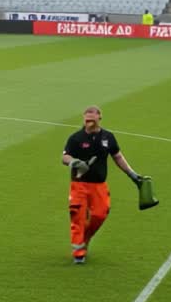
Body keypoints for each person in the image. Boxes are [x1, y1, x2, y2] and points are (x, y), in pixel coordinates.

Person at [61, 106, 143, 264]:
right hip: (79, 185)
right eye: (86, 118)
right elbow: (65, 157)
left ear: (99, 118)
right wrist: (75, 162)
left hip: (99, 186)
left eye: (92, 118)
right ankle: (79, 253)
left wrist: (132, 174)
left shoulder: (108, 137)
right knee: (77, 217)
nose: (88, 121)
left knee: (99, 215)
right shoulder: (76, 138)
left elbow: (117, 157)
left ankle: (85, 239)